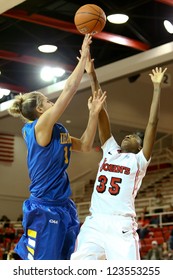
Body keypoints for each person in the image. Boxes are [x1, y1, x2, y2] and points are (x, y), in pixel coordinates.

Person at [8, 34, 107, 260]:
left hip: (65, 206)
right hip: (44, 207)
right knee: (46, 266)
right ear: (41, 111)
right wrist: (82, 59)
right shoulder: (38, 127)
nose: (53, 103)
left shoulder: (58, 131)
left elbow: (85, 145)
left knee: (68, 262)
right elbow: (68, 91)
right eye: (48, 102)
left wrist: (93, 115)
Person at [71, 53, 167, 260]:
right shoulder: (110, 149)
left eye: (135, 137)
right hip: (94, 222)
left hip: (120, 224)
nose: (129, 135)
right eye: (128, 134)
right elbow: (101, 110)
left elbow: (152, 123)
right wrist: (92, 75)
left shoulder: (139, 161)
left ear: (140, 147)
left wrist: (157, 88)